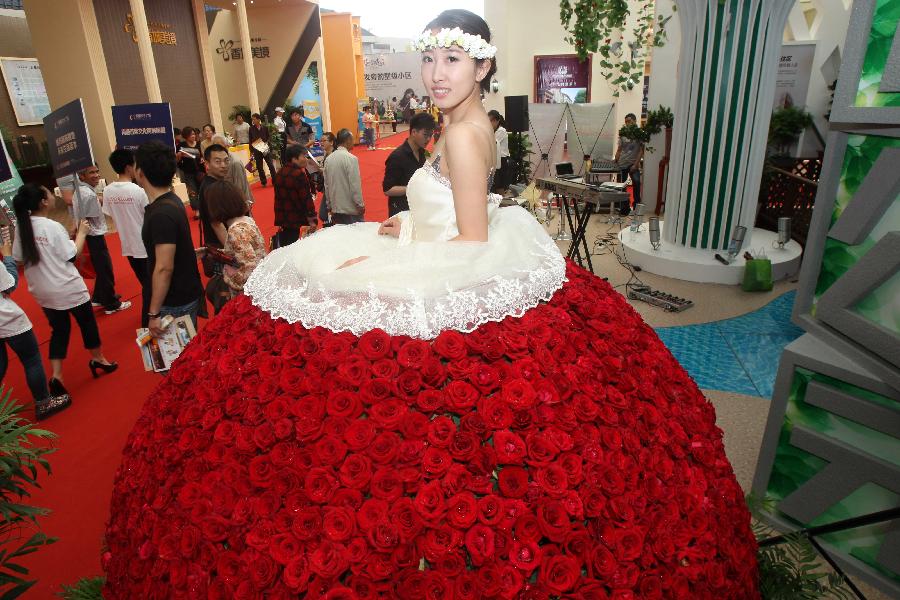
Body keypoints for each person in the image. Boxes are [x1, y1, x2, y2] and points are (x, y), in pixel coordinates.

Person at [105, 10, 758, 599]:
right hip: (434, 242)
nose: (436, 72)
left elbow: (471, 246)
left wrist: (393, 254)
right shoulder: (464, 124)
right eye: (430, 57)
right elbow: (448, 218)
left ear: (483, 64)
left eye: (453, 58)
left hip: (458, 264)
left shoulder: (465, 136)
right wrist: (404, 227)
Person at [12, 184, 118, 398]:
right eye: (49, 193)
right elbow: (72, 254)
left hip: (43, 291)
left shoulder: (22, 227)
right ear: (43, 201)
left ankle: (57, 375)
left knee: (59, 331)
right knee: (87, 323)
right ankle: (99, 359)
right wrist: (82, 233)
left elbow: (19, 257)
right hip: (68, 288)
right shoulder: (51, 227)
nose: (53, 195)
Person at [134, 140, 204, 334]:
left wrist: (153, 313)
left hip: (173, 301)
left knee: (177, 361)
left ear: (140, 172)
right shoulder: (172, 201)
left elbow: (164, 267)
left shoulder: (160, 214)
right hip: (183, 293)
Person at [0, 229, 71, 420]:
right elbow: (10, 284)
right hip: (5, 317)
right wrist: (7, 256)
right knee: (31, 358)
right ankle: (44, 401)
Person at [74, 165, 131, 314]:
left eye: (97, 171)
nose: (96, 175)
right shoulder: (87, 194)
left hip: (90, 235)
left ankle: (99, 297)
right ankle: (111, 304)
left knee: (101, 269)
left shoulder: (82, 191)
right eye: (91, 172)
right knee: (105, 269)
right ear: (81, 176)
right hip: (94, 236)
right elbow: (95, 214)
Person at [103, 149, 150, 326]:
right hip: (144, 245)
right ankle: (148, 320)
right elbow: (149, 215)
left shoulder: (108, 191)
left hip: (128, 245)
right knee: (151, 286)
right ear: (129, 167)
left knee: (146, 283)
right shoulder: (138, 191)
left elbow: (109, 214)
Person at [204, 180, 266, 298]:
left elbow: (249, 268)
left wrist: (229, 277)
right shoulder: (246, 221)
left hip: (249, 294)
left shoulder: (236, 231)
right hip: (260, 283)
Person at [382, 111, 434, 216]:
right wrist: (412, 188)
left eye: (430, 135)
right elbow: (387, 190)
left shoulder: (423, 153)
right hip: (401, 212)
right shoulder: (397, 157)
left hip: (418, 209)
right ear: (414, 132)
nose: (428, 139)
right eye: (425, 135)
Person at [273, 144, 316, 246]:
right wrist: (312, 220)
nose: (306, 159)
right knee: (297, 248)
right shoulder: (298, 174)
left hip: (283, 219)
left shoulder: (279, 173)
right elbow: (306, 199)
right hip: (296, 220)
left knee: (286, 247)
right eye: (303, 156)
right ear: (294, 159)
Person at [323, 128, 364, 224]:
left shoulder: (329, 159)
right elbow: (355, 185)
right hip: (350, 209)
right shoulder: (351, 159)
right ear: (348, 140)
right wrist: (360, 204)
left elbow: (327, 185)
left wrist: (329, 205)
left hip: (335, 208)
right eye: (352, 139)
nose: (353, 142)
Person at [198, 143, 231, 250]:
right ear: (207, 164)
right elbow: (217, 225)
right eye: (218, 161)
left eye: (226, 160)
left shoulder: (213, 183)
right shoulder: (212, 188)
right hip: (220, 245)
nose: (223, 165)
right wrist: (232, 252)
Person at [210, 135, 253, 208]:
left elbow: (240, 188)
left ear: (227, 146)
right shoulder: (218, 161)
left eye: (220, 147)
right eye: (215, 147)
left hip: (238, 203)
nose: (217, 150)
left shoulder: (235, 163)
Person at [614, 112, 644, 216]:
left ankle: (636, 206)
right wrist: (615, 160)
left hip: (633, 163)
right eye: (626, 122)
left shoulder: (639, 133)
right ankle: (624, 208)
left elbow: (641, 150)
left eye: (629, 121)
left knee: (636, 182)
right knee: (621, 186)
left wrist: (636, 164)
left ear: (635, 121)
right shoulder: (623, 134)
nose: (627, 124)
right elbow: (619, 149)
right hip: (622, 163)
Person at [177, 126, 203, 217]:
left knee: (202, 190)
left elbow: (203, 156)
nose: (193, 136)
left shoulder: (200, 144)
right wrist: (179, 156)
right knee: (192, 191)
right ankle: (197, 210)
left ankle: (205, 208)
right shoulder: (181, 145)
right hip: (188, 172)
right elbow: (177, 161)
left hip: (200, 171)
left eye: (194, 134)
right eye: (191, 134)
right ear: (186, 136)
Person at [249, 113, 276, 187]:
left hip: (264, 147)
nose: (253, 121)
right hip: (256, 148)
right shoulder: (251, 128)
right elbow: (250, 139)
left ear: (258, 119)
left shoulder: (264, 127)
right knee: (259, 167)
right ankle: (263, 182)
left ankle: (275, 180)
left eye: (254, 119)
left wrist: (267, 143)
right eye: (252, 119)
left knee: (270, 165)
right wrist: (251, 151)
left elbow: (268, 137)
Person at [488, 109, 510, 194]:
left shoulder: (501, 131)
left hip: (502, 160)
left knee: (500, 185)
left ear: (497, 121)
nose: (489, 123)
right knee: (495, 184)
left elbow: (492, 142)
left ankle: (501, 203)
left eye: (491, 121)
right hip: (495, 160)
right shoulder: (493, 131)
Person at [316, 131, 336, 226]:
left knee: (324, 214)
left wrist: (321, 170)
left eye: (324, 140)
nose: (322, 143)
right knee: (325, 214)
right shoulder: (327, 154)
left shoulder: (333, 156)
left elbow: (331, 174)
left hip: (332, 189)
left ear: (331, 142)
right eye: (321, 141)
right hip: (326, 188)